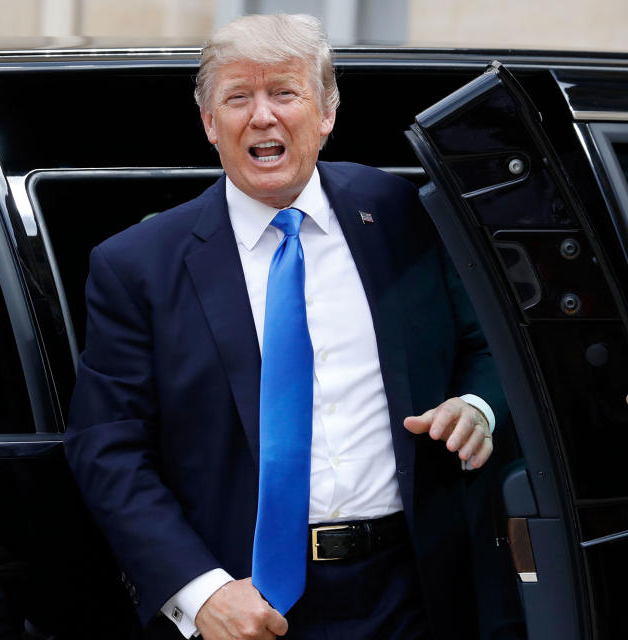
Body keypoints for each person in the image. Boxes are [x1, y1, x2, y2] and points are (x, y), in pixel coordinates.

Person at [66, 13, 507, 640]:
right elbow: (106, 448)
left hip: (415, 593)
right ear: (209, 123)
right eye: (238, 96)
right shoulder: (137, 266)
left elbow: (488, 344)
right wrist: (201, 592)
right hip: (243, 607)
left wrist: (477, 408)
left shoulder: (401, 214)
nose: (262, 116)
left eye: (284, 92)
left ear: (325, 113)